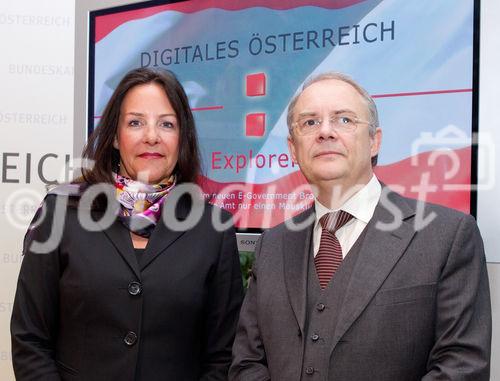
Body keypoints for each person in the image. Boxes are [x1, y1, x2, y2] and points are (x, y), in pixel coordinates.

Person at [229, 72, 491, 380]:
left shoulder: (447, 236)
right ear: (292, 148)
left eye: (344, 120)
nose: (325, 131)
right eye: (310, 122)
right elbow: (247, 364)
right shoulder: (271, 246)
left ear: (374, 141)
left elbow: (461, 368)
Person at [11, 67, 243, 380]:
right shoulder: (58, 213)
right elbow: (30, 340)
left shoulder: (214, 230)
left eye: (167, 124)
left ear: (182, 138)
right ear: (116, 138)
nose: (152, 136)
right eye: (135, 122)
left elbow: (222, 357)